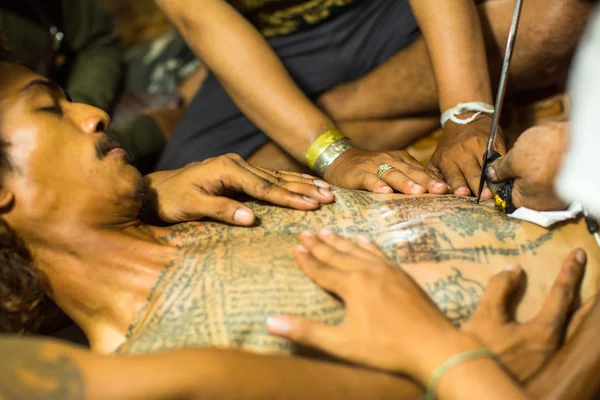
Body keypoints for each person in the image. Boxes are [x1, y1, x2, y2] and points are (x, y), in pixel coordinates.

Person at [2, 60, 600, 383]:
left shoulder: (221, 190)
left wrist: (547, 176)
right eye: (50, 110)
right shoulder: (167, 369)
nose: (95, 113)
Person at [152, 0, 591, 198]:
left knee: (552, 17)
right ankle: (322, 120)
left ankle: (331, 112)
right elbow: (200, 21)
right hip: (269, 44)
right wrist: (334, 155)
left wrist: (466, 111)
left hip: (386, 11)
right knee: (186, 185)